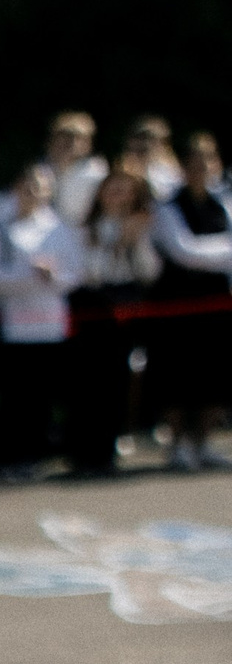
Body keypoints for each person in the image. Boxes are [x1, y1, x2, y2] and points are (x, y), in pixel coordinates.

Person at [0, 163, 85, 473]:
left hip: (49, 323)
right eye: (27, 186)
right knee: (14, 393)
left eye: (39, 188)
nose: (32, 193)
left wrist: (52, 276)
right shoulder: (1, 227)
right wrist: (29, 276)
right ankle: (7, 454)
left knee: (41, 395)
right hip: (15, 324)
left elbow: (74, 274)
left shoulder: (59, 229)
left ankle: (34, 453)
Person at [148, 130, 232, 470]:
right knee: (178, 376)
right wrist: (225, 251)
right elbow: (184, 251)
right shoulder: (167, 207)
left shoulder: (223, 204)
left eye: (208, 161)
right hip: (178, 306)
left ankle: (203, 443)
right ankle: (179, 443)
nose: (202, 168)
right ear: (183, 167)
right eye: (195, 162)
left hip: (217, 305)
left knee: (215, 376)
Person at [68, 169, 161, 475]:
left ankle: (108, 450)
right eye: (113, 189)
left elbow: (149, 271)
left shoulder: (139, 226)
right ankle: (82, 451)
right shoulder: (87, 228)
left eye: (126, 190)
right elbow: (87, 273)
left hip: (126, 305)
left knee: (119, 379)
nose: (119, 196)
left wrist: (135, 241)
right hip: (94, 308)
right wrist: (115, 244)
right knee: (87, 380)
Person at [45, 111, 108, 226]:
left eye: (78, 137)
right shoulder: (40, 171)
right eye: (65, 135)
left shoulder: (97, 174)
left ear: (88, 143)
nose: (70, 142)